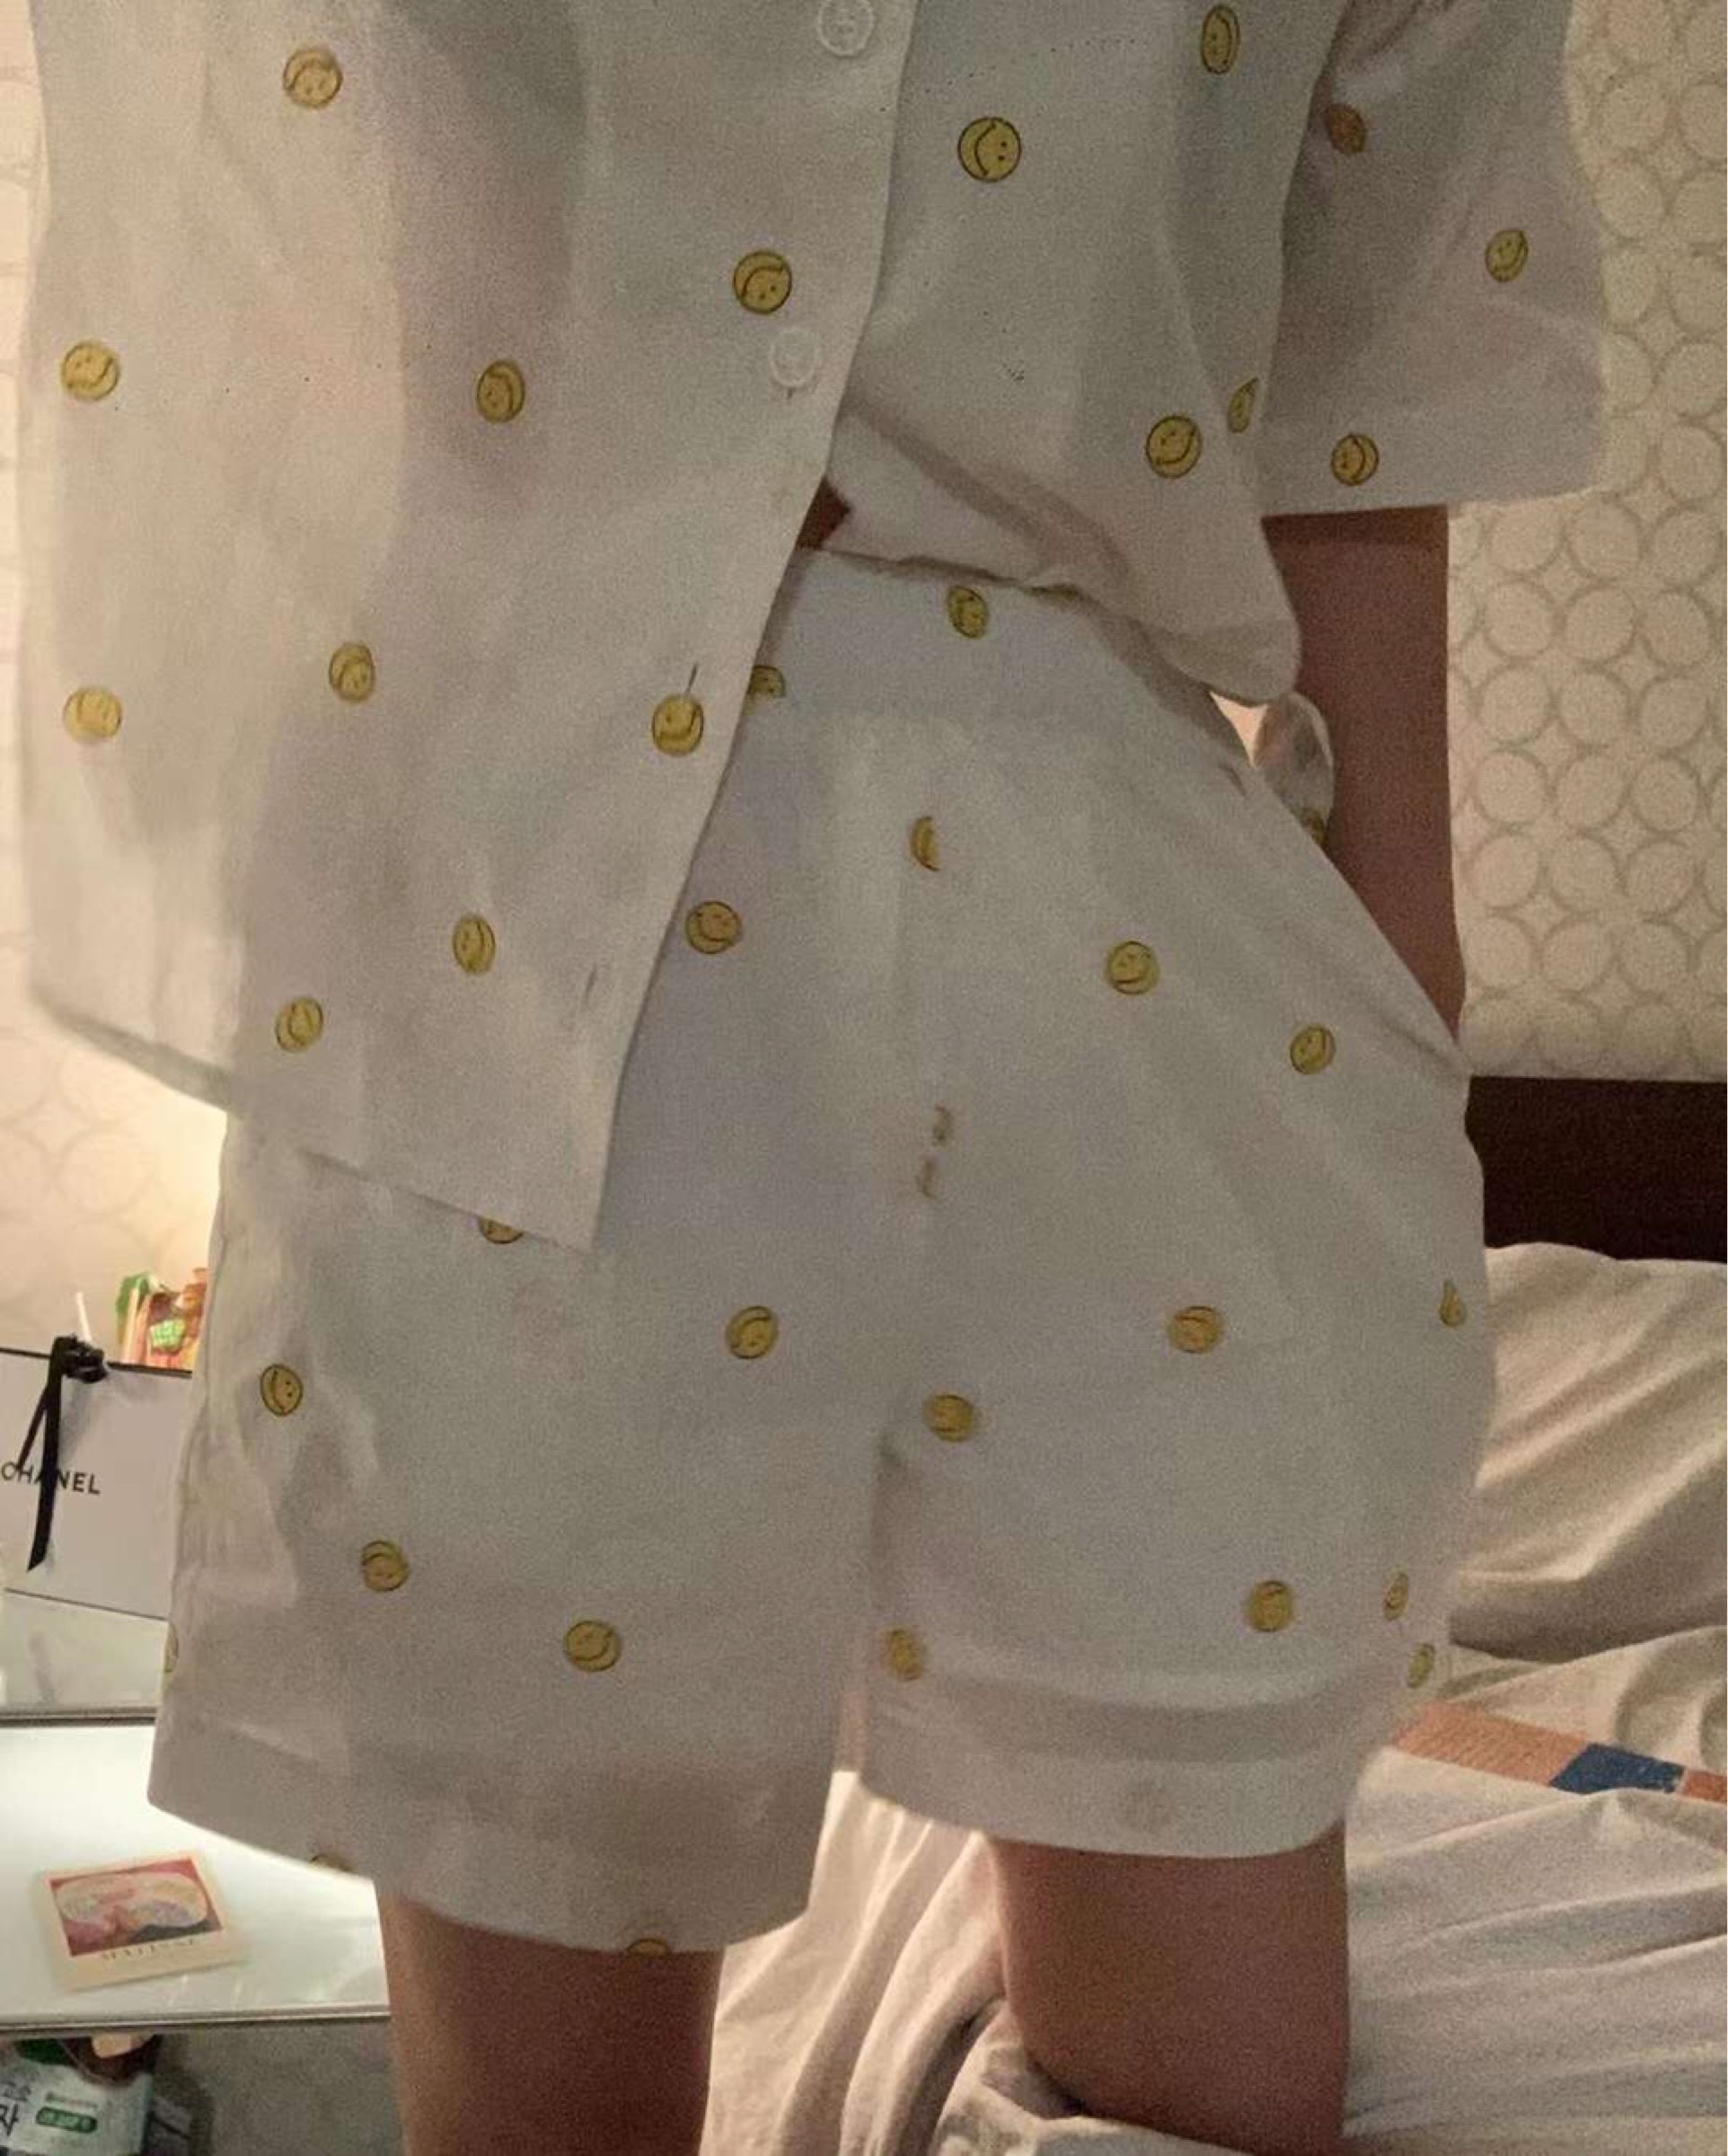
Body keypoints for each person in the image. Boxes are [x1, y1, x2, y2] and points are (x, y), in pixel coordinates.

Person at [18, 4, 1605, 2151]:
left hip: (1141, 910)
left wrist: (1400, 995)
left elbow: (1376, 362)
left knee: (1197, 2082)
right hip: (508, 945)